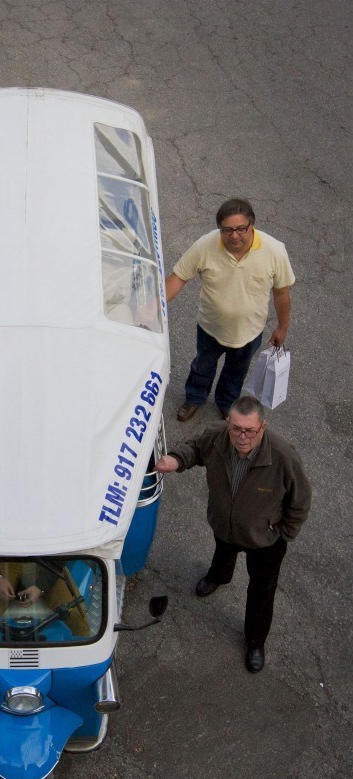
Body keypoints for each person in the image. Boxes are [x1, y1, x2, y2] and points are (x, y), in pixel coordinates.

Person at [155, 396, 311, 672]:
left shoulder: (283, 456)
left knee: (262, 592)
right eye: (236, 428)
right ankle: (219, 577)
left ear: (262, 427)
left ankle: (255, 641)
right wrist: (176, 460)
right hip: (225, 526)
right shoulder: (217, 436)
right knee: (223, 552)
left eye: (249, 430)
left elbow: (300, 500)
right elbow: (195, 448)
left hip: (265, 539)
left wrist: (284, 532)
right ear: (227, 422)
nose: (242, 436)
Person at [165, 198, 295, 421]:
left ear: (252, 225)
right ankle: (194, 398)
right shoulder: (205, 245)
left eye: (240, 229)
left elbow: (281, 293)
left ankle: (226, 403)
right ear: (220, 229)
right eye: (227, 230)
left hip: (249, 333)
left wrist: (282, 327)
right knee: (202, 368)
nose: (234, 236)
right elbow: (178, 278)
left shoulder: (274, 251)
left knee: (236, 373)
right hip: (210, 328)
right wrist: (153, 308)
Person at [0, 560, 90, 636]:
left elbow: (63, 542)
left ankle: (83, 660)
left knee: (76, 615)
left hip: (47, 560)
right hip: (1, 559)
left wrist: (41, 586)